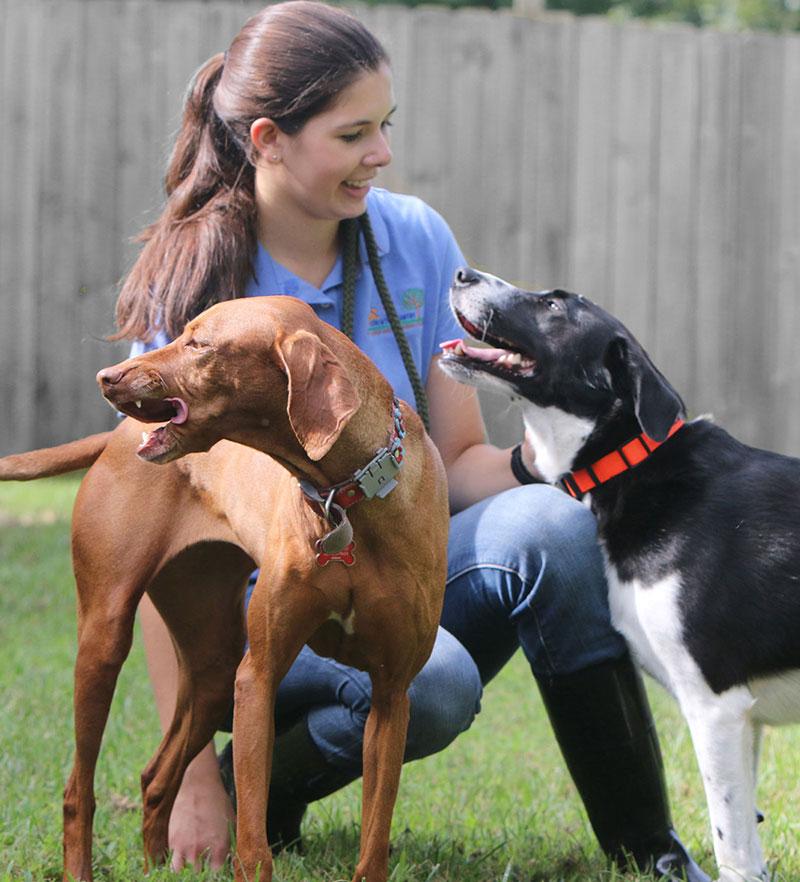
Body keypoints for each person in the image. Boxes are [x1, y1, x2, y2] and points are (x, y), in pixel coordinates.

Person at [114, 3, 708, 879]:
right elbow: (162, 542)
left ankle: (647, 848)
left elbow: (457, 461)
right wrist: (195, 774)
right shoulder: (194, 281)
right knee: (432, 687)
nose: (381, 154)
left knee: (553, 528)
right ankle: (254, 783)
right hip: (255, 611)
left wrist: (552, 468)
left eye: (385, 126)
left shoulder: (413, 240)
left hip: (392, 566)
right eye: (353, 133)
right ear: (270, 139)